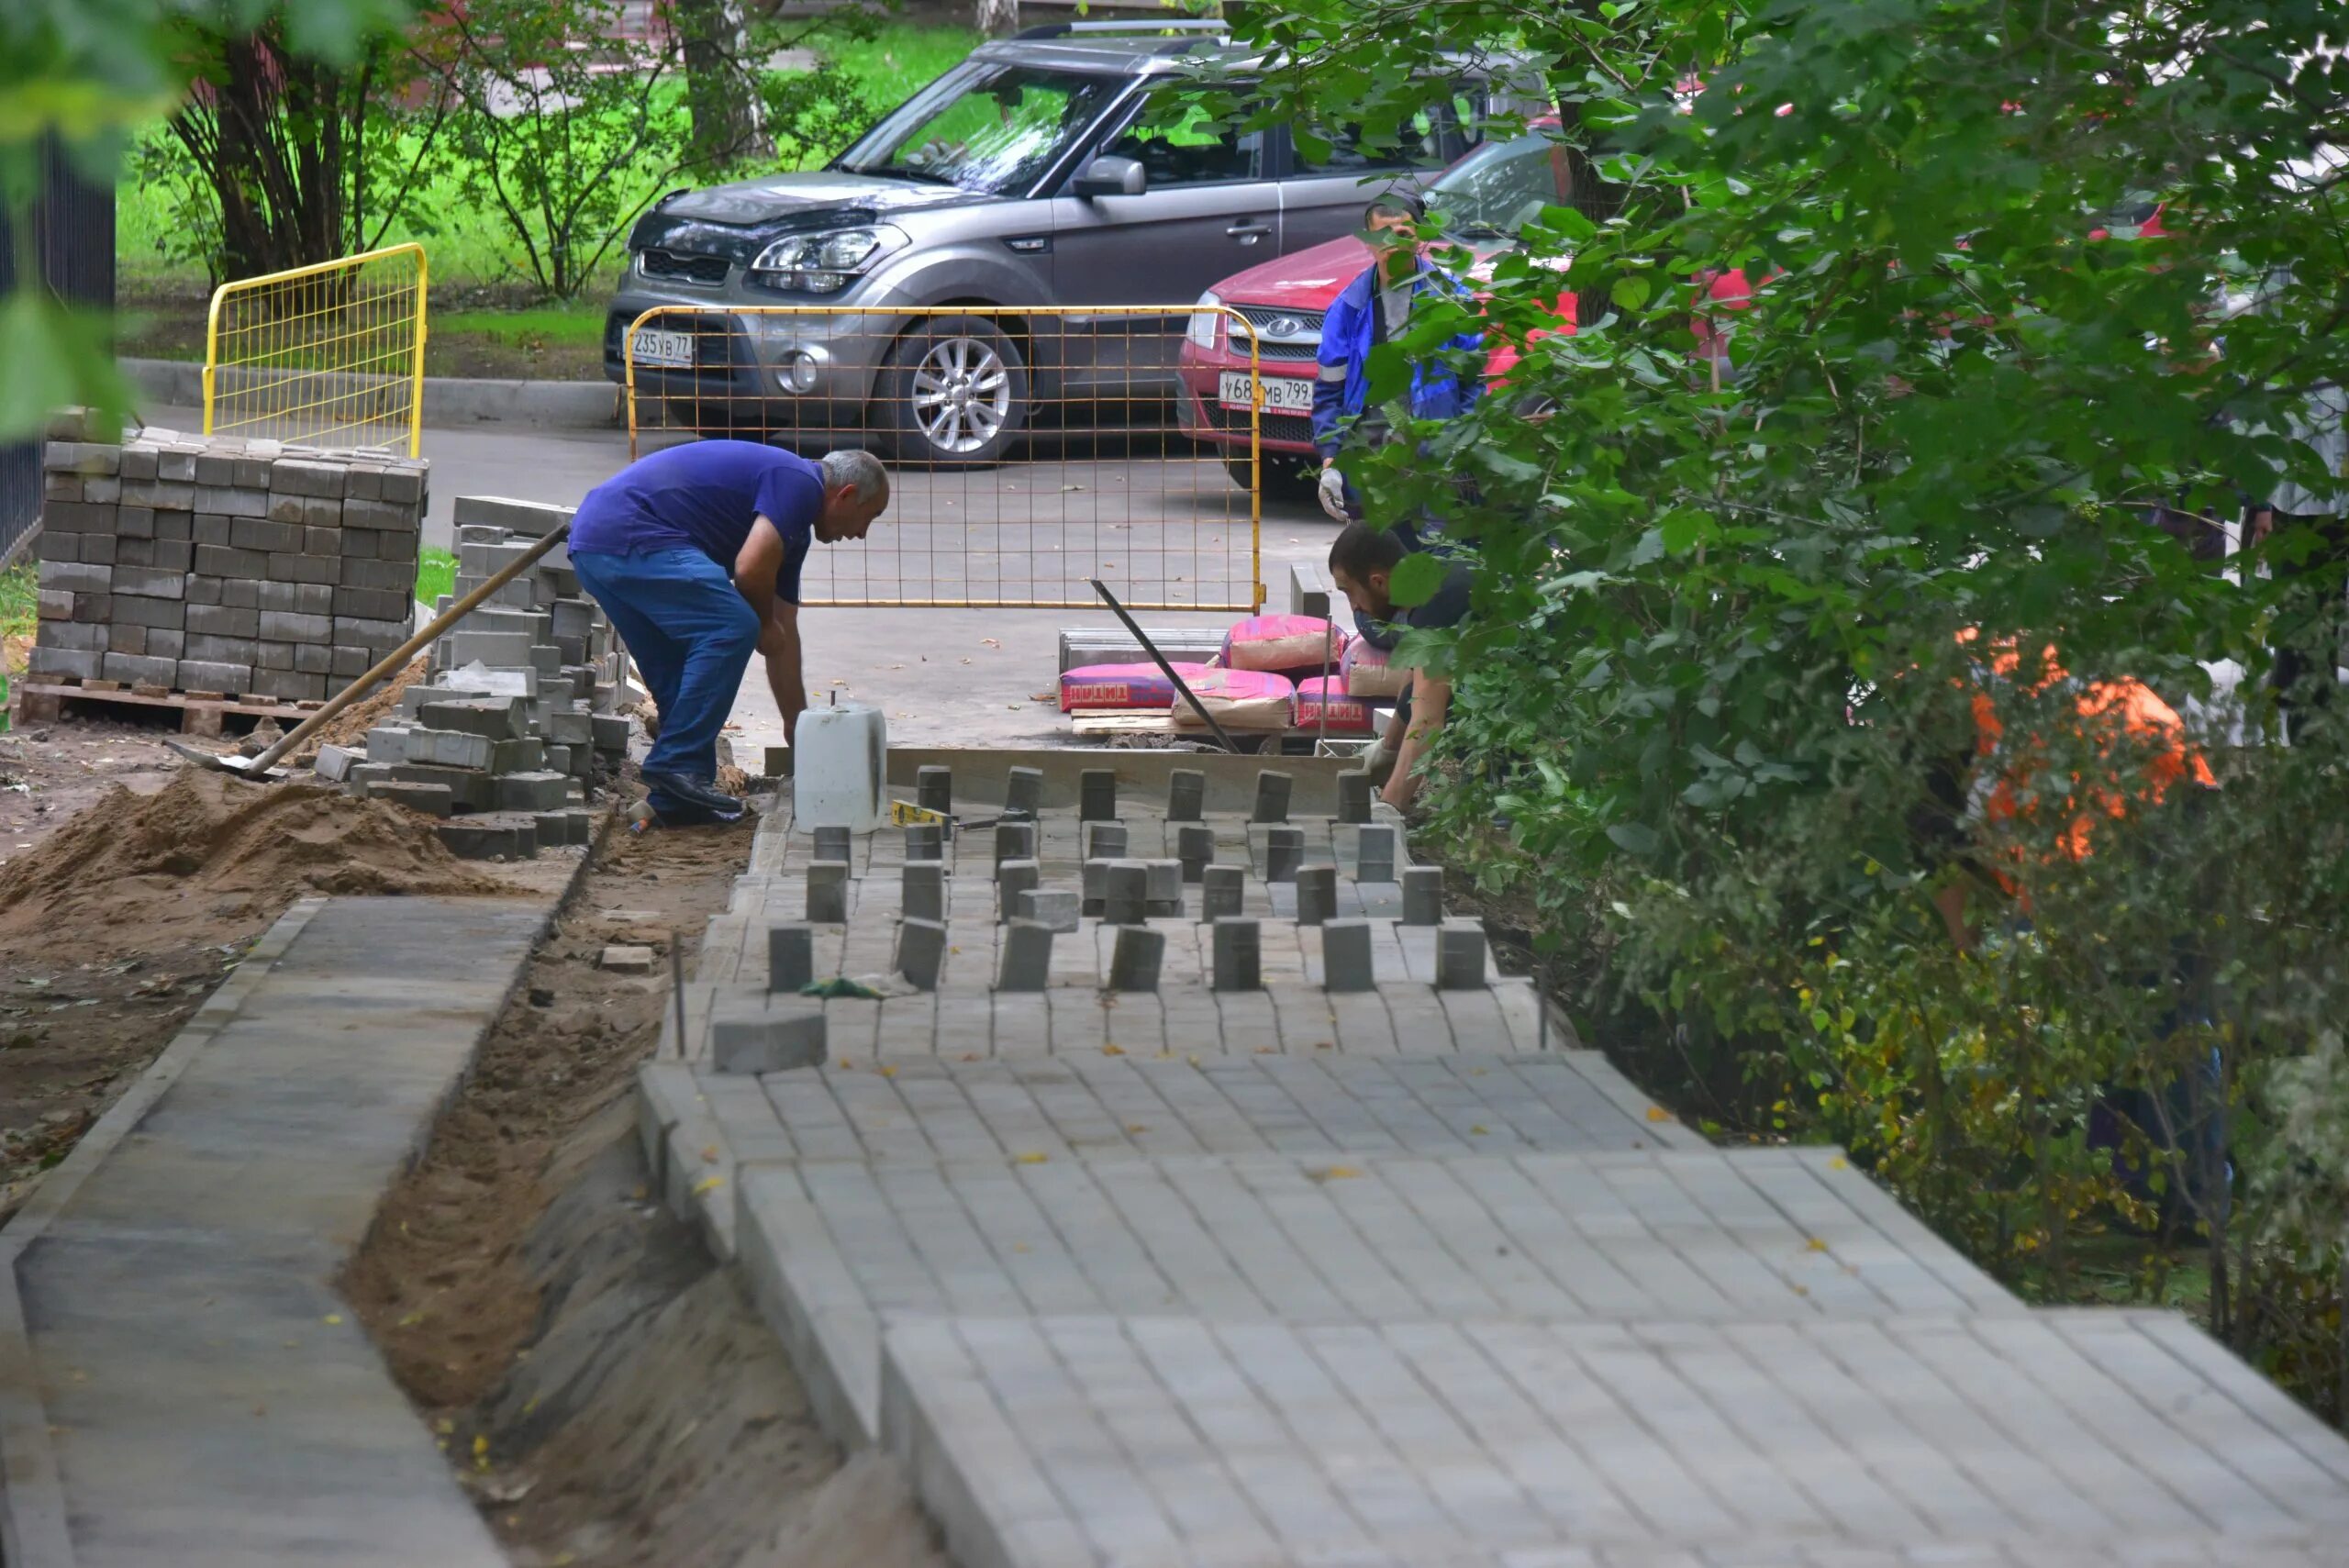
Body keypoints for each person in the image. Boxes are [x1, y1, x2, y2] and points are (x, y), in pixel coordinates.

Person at [568, 441, 890, 826]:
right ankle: (676, 765)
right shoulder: (800, 483)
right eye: (868, 518)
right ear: (846, 495)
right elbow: (751, 570)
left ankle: (679, 797)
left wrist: (798, 724)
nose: (862, 534)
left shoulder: (792, 533)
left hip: (596, 546)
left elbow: (784, 634)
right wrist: (762, 625)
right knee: (733, 624)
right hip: (631, 533)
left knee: (679, 670)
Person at [1311, 192, 1485, 579]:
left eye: (1402, 230)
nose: (1392, 242)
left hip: (1440, 461)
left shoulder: (1451, 297)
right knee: (1377, 572)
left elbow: (1475, 381)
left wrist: (1465, 445)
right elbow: (1329, 391)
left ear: (1419, 235)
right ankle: (1379, 639)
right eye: (1382, 234)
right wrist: (1331, 461)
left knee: (1438, 568)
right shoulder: (1349, 307)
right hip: (1374, 464)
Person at [1326, 522, 1473, 810]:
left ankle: (1502, 779)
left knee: (1445, 705)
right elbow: (1414, 681)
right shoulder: (1434, 578)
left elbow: (1428, 722)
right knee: (1412, 699)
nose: (1354, 606)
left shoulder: (1437, 607)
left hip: (1541, 710)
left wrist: (1388, 809)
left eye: (1349, 592)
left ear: (1378, 582)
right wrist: (1388, 748)